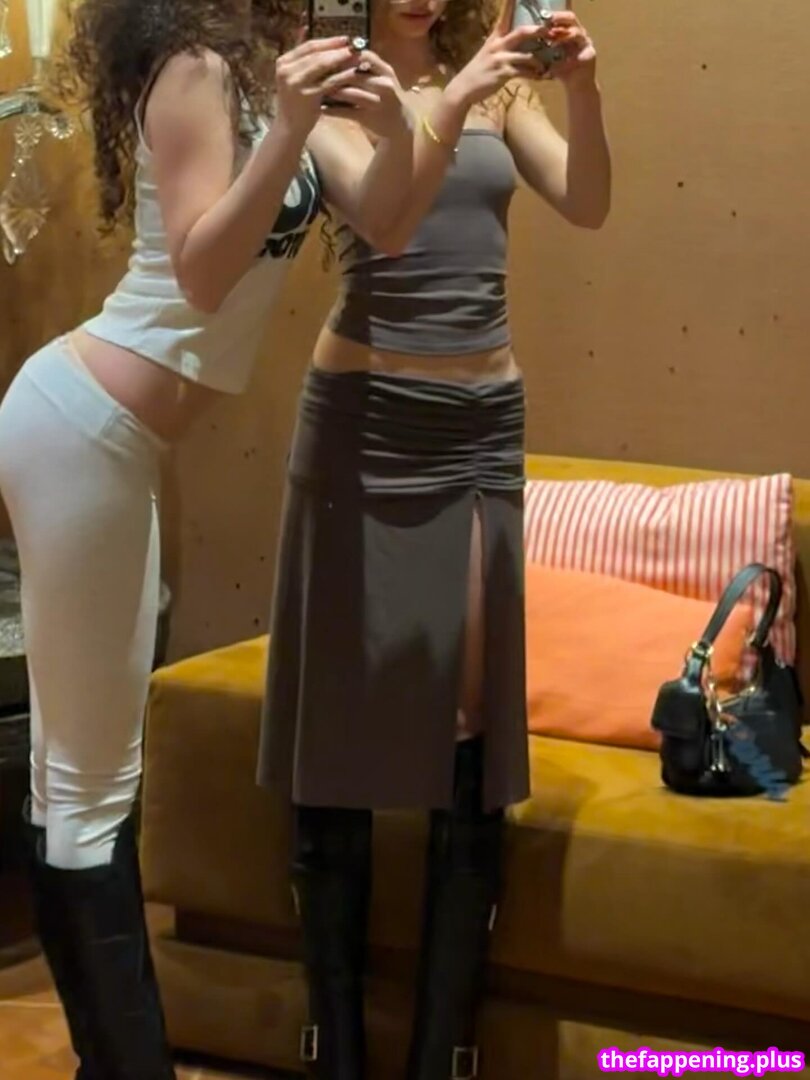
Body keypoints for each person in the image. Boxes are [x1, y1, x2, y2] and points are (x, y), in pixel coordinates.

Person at [0, 0, 435, 1076]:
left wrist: (403, 121)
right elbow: (200, 271)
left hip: (117, 442)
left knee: (80, 772)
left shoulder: (269, 69)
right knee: (88, 782)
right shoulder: (196, 68)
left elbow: (389, 220)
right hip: (78, 426)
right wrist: (287, 127)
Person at [256, 0, 612, 1076]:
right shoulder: (331, 87)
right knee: (341, 718)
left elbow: (588, 202)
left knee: (467, 718)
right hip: (366, 422)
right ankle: (336, 1050)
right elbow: (384, 223)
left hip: (480, 425)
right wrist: (452, 99)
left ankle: (441, 1054)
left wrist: (583, 91)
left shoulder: (495, 82)